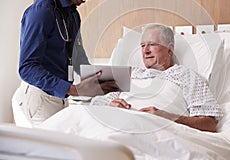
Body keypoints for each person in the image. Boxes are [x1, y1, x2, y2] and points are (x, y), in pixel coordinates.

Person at [12, 0, 119, 127]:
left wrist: (104, 81)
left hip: (61, 97)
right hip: (38, 98)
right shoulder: (41, 12)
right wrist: (73, 89)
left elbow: (78, 59)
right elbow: (27, 68)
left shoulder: (73, 16)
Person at [91, 24, 222, 132]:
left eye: (152, 44)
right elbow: (96, 104)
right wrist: (110, 106)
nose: (145, 51)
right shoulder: (132, 74)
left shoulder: (186, 75)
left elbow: (209, 125)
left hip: (157, 131)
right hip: (116, 125)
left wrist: (166, 117)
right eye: (142, 45)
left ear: (169, 50)